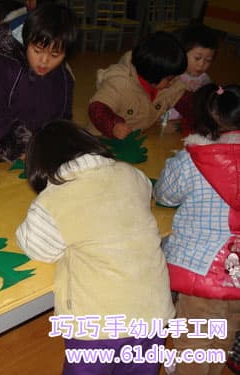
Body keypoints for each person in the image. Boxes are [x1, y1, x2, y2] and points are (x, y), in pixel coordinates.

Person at [16, 120, 175, 375]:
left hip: (98, 325)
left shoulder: (54, 198)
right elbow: (145, 194)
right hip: (153, 313)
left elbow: (37, 247)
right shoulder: (132, 174)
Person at [153, 84, 240, 375]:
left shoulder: (193, 158)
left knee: (192, 342)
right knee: (224, 335)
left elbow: (164, 194)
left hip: (201, 269)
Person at [0, 3, 76, 166]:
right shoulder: (3, 68)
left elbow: (62, 121)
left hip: (38, 159)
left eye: (55, 55)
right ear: (26, 40)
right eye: (37, 51)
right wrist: (19, 146)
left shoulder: (64, 79)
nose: (44, 61)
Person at [89, 31, 194, 139]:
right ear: (153, 73)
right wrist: (114, 126)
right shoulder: (119, 82)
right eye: (169, 78)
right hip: (102, 138)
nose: (173, 81)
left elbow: (185, 100)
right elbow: (97, 108)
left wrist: (203, 111)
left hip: (135, 138)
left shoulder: (168, 83)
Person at [166, 24, 218, 121]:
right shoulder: (172, 74)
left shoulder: (204, 79)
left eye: (208, 60)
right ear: (181, 52)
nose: (202, 64)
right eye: (197, 58)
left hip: (187, 120)